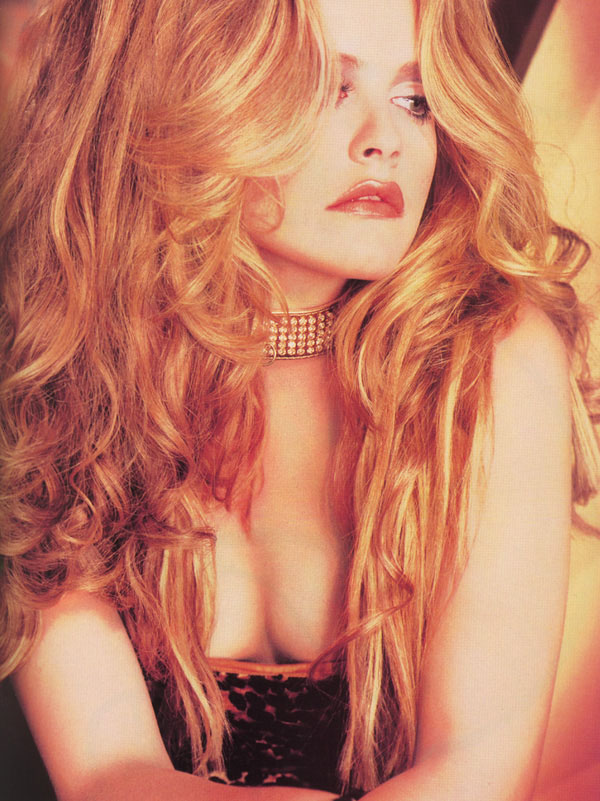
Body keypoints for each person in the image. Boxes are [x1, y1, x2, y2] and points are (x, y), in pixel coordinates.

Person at [1, 0, 598, 800]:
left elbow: (475, 775)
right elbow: (105, 770)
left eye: (416, 98)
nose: (384, 139)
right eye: (323, 87)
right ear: (176, 93)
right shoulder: (69, 365)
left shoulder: (488, 357)